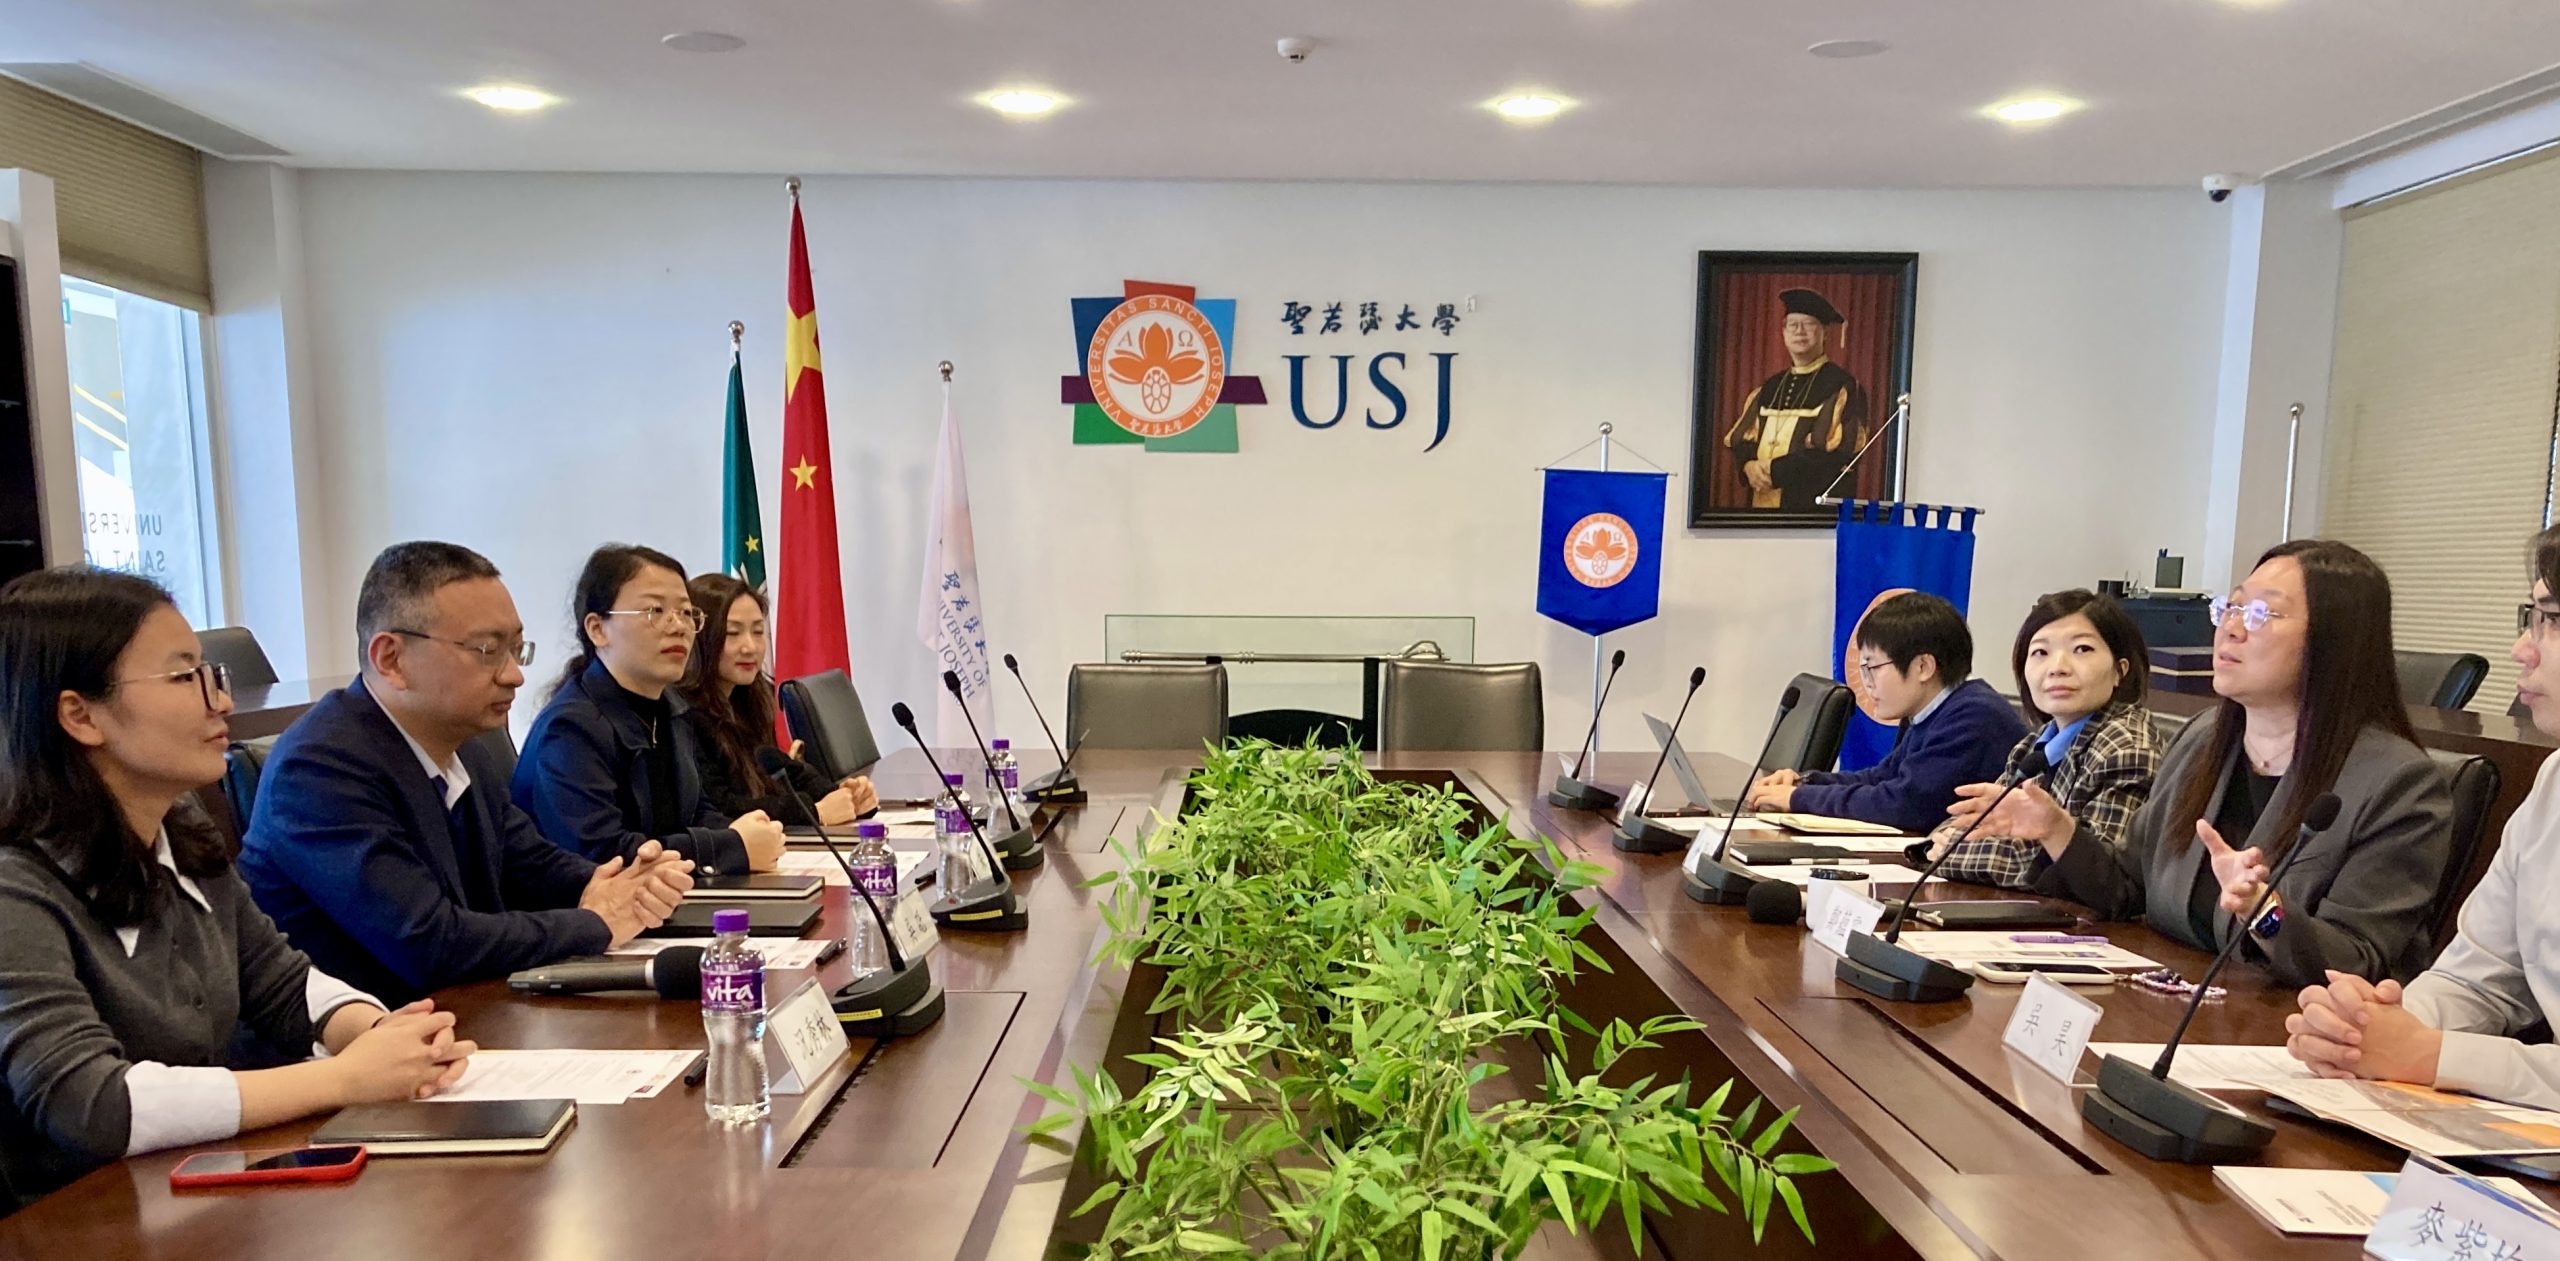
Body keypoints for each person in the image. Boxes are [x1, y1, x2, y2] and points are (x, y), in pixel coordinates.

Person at [0, 568, 473, 1210]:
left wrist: (381, 1033)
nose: (220, 701)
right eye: (183, 678)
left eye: (211, 673)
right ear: (80, 715)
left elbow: (281, 982)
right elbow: (90, 1104)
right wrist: (343, 1078)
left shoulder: (180, 827)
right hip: (71, 1220)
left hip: (186, 1197)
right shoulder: (15, 884)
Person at [1977, 540, 2453, 986]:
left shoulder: (2399, 784)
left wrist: (2264, 912)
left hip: (2286, 1028)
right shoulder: (2202, 740)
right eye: (2232, 607)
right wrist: (2056, 829)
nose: (2231, 628)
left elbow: (2359, 961)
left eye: (2261, 613)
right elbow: (2128, 889)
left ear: (2335, 641)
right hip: (2170, 1001)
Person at [239, 543, 696, 1006]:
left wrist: (619, 883)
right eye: (487, 650)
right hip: (361, 1037)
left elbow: (529, 862)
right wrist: (596, 922)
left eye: (516, 649)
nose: (514, 675)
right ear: (391, 659)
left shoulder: (466, 747)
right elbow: (427, 942)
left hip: (462, 1013)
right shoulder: (319, 769)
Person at [2284, 526, 2560, 1106]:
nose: (2522, 648)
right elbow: (2476, 977)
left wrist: (2433, 1056)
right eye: (2531, 617)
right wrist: (2366, 1027)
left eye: (2550, 619)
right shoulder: (2554, 781)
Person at [512, 545, 785, 874]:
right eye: (655, 611)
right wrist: (730, 847)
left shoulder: (671, 709)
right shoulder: (571, 728)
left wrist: (743, 832)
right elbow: (604, 854)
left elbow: (696, 812)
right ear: (598, 629)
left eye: (686, 612)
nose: (678, 626)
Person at [1925, 590, 2161, 890]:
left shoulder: (2127, 747)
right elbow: (1965, 824)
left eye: (2082, 649)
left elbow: (2091, 870)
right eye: (2040, 652)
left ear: (2119, 671)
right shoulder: (2034, 747)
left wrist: (1953, 852)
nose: (2058, 667)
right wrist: (1948, 843)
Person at [1746, 591, 2026, 833]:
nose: (1867, 683)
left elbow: (1903, 804)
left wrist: (1798, 799)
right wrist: (1804, 782)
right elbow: (1883, 777)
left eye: (1873, 667)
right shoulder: (1931, 709)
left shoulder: (1973, 717)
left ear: (1923, 667)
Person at [678, 574, 878, 828]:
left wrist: (844, 794)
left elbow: (784, 771)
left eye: (758, 632)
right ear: (698, 636)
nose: (750, 647)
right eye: (733, 633)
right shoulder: (683, 713)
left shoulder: (747, 701)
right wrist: (813, 811)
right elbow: (720, 808)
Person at [1720, 287, 1870, 512]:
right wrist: (1748, 465)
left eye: (1808, 324)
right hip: (1760, 511)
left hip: (1811, 514)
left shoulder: (1843, 386)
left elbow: (1837, 454)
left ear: (1824, 332)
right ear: (1783, 332)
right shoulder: (1770, 387)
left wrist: (1774, 471)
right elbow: (1744, 438)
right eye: (1793, 325)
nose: (1799, 331)